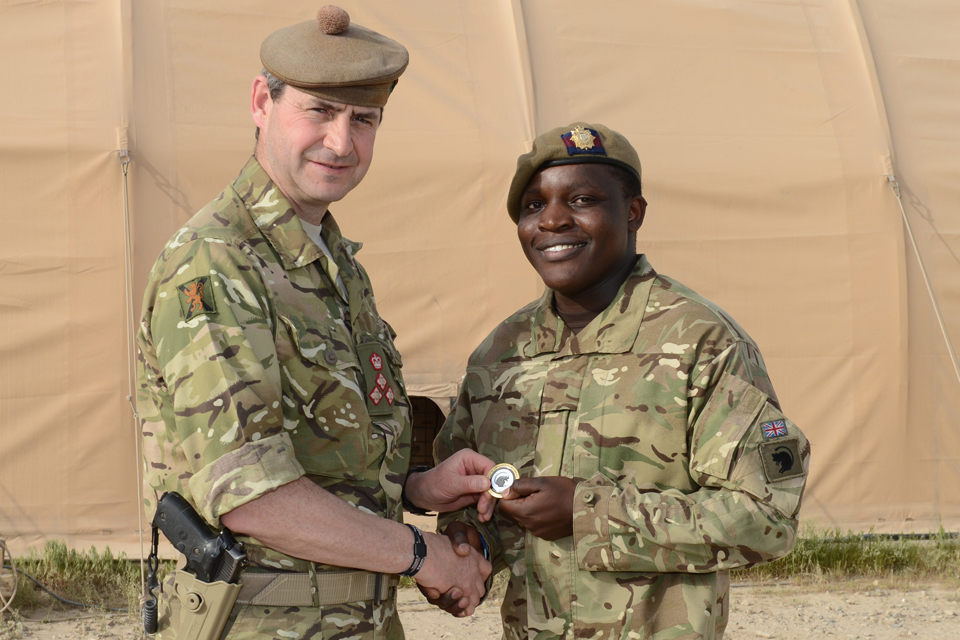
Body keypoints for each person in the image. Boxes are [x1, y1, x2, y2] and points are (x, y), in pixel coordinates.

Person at [136, 7, 493, 639]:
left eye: (364, 120)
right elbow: (252, 496)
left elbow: (331, 462)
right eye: (318, 112)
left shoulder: (333, 266)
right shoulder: (218, 262)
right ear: (260, 102)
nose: (341, 142)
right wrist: (419, 552)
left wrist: (420, 487)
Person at [430, 123, 811, 639]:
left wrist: (587, 512)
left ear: (633, 212)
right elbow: (473, 496)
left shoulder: (700, 343)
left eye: (582, 199)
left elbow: (767, 517)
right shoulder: (501, 355)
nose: (553, 220)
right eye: (533, 206)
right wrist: (466, 546)